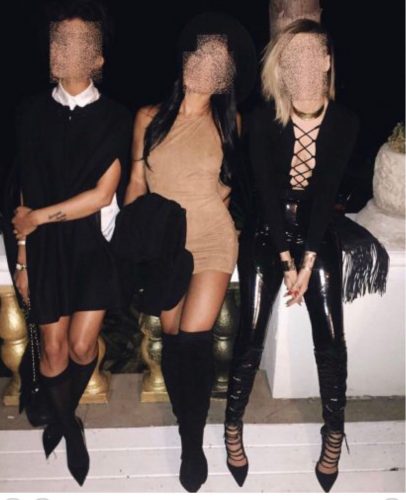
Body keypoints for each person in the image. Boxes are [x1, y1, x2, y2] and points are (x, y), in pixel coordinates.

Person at [223, 19, 359, 492]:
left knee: (331, 336)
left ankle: (334, 432)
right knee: (250, 332)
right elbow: (264, 193)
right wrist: (286, 262)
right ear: (281, 68)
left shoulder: (345, 122)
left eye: (310, 53)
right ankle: (233, 424)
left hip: (316, 230)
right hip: (268, 229)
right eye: (291, 56)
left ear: (326, 60)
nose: (302, 64)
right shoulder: (263, 120)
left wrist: (308, 261)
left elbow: (326, 194)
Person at [123, 12, 256, 492]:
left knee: (194, 339)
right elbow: (136, 183)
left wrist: (207, 203)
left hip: (212, 237)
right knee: (174, 334)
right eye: (200, 55)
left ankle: (191, 443)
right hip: (164, 243)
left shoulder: (229, 121)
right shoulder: (148, 118)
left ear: (225, 77)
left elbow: (230, 183)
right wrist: (134, 236)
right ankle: (188, 417)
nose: (205, 65)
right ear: (185, 61)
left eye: (217, 61)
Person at [11, 0, 132, 486]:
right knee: (54, 351)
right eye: (58, 42)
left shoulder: (116, 117)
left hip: (90, 244)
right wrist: (22, 258)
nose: (64, 51)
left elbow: (102, 194)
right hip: (43, 249)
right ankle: (70, 429)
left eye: (78, 43)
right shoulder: (30, 112)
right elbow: (24, 188)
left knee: (83, 349)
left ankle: (63, 414)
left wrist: (37, 217)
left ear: (97, 57)